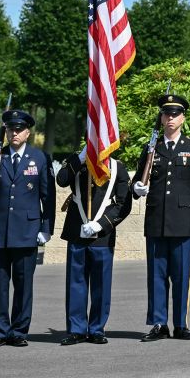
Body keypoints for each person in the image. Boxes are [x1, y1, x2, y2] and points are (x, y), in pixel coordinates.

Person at [129, 93, 190, 342]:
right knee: (156, 274)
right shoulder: (152, 148)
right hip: (156, 220)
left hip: (183, 220)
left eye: (175, 114)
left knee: (181, 274)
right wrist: (137, 189)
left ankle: (181, 324)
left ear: (183, 118)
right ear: (161, 118)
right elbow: (138, 180)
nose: (171, 118)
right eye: (166, 114)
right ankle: (159, 323)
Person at [0, 109, 55, 349]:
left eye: (19, 129)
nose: (14, 133)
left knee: (23, 285)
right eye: (10, 129)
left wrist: (46, 228)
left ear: (28, 132)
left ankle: (19, 331)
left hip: (27, 231)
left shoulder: (40, 158)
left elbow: (47, 197)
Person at [56, 148, 130, 345]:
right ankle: (76, 329)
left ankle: (97, 328)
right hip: (77, 232)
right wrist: (79, 158)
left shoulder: (117, 167)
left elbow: (124, 203)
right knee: (75, 283)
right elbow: (62, 179)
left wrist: (102, 224)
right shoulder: (76, 162)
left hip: (102, 236)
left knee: (101, 285)